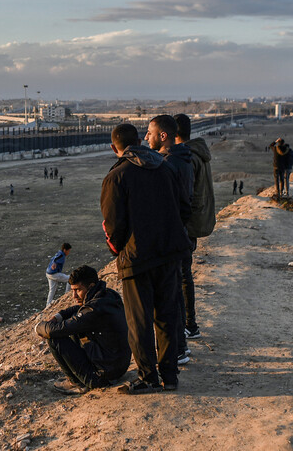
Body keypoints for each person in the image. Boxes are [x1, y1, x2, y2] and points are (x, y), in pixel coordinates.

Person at [101, 123, 191, 393]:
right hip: (170, 253)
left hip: (137, 259)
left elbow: (112, 225)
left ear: (113, 147)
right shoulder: (166, 167)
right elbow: (184, 207)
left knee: (139, 322)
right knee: (167, 316)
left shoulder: (117, 176)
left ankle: (148, 377)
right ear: (140, 140)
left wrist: (119, 251)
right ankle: (170, 376)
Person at [35, 265, 132, 394]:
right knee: (75, 324)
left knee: (55, 339)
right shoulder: (109, 295)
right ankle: (81, 377)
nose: (74, 295)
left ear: (91, 286)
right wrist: (59, 316)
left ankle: (76, 383)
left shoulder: (93, 311)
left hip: (102, 376)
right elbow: (78, 310)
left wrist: (38, 327)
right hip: (118, 368)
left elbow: (53, 331)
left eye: (78, 290)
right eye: (73, 290)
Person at [147, 115, 194, 365]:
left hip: (170, 239)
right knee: (175, 293)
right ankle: (181, 347)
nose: (146, 137)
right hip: (180, 235)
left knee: (169, 297)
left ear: (162, 135)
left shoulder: (168, 164)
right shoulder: (183, 158)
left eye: (150, 133)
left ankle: (176, 349)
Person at [174, 113, 216, 342]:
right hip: (193, 223)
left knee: (182, 276)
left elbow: (187, 196)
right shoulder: (199, 152)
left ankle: (189, 324)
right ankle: (189, 324)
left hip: (187, 225)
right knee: (184, 275)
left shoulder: (188, 156)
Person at [45, 243, 72, 307]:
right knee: (70, 278)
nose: (69, 252)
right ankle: (67, 295)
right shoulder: (61, 255)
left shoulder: (59, 253)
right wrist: (54, 263)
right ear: (65, 250)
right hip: (54, 274)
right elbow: (55, 259)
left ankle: (47, 305)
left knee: (52, 290)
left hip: (48, 273)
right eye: (69, 251)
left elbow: (54, 258)